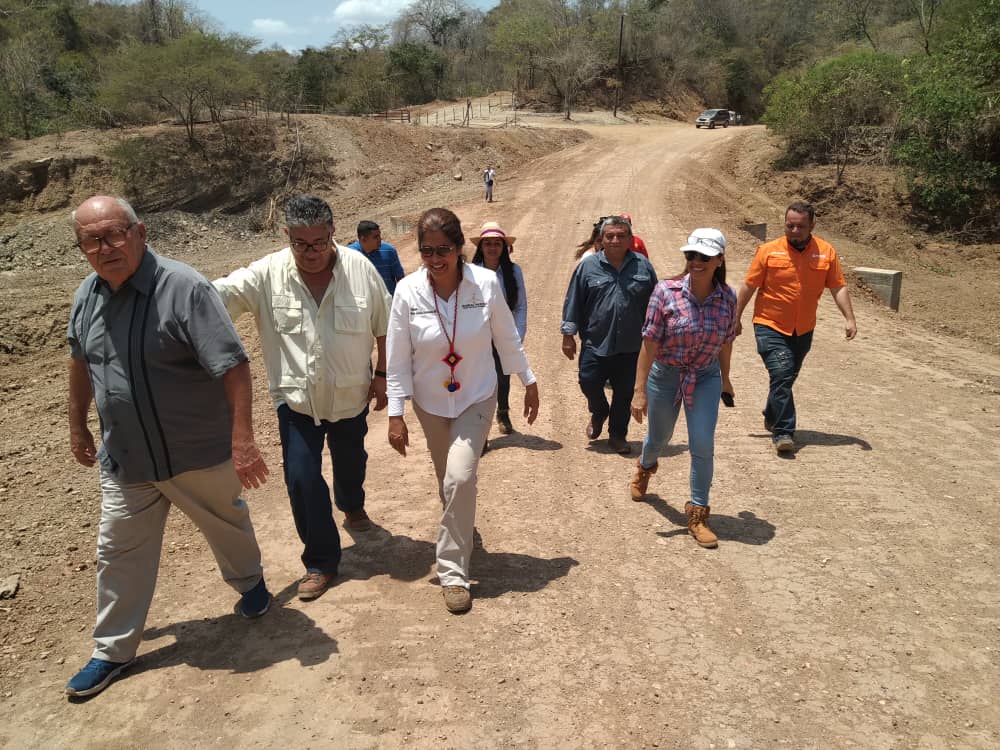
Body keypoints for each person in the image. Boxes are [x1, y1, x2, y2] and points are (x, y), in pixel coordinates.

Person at [65, 196, 271, 698]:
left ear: (141, 232)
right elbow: (80, 362)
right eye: (92, 240)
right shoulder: (86, 297)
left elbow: (232, 364)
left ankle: (251, 583)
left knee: (225, 524)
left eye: (114, 234)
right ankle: (111, 650)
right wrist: (77, 426)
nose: (105, 247)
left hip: (194, 450)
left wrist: (243, 440)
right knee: (117, 550)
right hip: (127, 457)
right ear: (81, 248)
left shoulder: (185, 288)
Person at [213, 195, 391, 601]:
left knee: (351, 463)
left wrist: (381, 374)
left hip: (350, 397)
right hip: (295, 402)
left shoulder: (359, 269)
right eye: (300, 243)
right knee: (302, 478)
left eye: (318, 242)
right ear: (286, 236)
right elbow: (216, 296)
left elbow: (385, 324)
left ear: (333, 234)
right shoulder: (267, 273)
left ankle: (352, 502)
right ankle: (321, 562)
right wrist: (168, 289)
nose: (310, 253)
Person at [386, 208, 539, 614]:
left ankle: (453, 571)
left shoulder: (485, 285)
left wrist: (528, 380)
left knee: (459, 475)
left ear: (458, 249)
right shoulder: (407, 291)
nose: (435, 260)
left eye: (444, 250)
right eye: (426, 251)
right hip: (429, 402)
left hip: (476, 395)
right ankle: (461, 523)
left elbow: (506, 338)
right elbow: (398, 356)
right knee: (447, 479)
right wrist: (395, 412)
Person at [629, 229, 737, 549]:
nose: (696, 262)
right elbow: (649, 342)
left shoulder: (728, 297)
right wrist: (639, 389)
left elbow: (726, 343)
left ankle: (698, 513)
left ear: (719, 260)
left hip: (705, 376)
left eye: (705, 257)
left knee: (702, 443)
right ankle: (646, 466)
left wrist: (726, 378)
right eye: (691, 256)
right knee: (659, 438)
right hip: (665, 376)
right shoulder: (665, 292)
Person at [735, 201, 858, 453]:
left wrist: (849, 318)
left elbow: (838, 286)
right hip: (769, 324)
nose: (794, 230)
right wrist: (734, 317)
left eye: (800, 226)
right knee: (782, 372)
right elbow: (749, 286)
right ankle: (784, 432)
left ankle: (772, 413)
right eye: (790, 225)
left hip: (803, 329)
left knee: (786, 378)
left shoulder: (826, 252)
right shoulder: (768, 251)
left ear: (812, 225)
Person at [561, 215, 657, 455]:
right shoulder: (588, 266)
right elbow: (574, 300)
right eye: (610, 236)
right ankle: (599, 409)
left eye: (621, 235)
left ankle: (617, 436)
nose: (615, 240)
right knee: (588, 381)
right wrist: (568, 334)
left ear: (630, 239)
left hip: (632, 345)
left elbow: (656, 303)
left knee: (625, 393)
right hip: (595, 341)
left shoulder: (643, 267)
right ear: (601, 239)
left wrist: (659, 338)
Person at [470, 221, 527, 444]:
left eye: (496, 243)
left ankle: (503, 412)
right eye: (488, 244)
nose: (492, 248)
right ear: (481, 247)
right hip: (476, 337)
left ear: (504, 247)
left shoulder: (514, 271)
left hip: (503, 335)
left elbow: (521, 306)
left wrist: (517, 336)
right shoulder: (470, 273)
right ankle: (480, 431)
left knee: (502, 379)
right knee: (478, 383)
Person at [347, 220, 405, 295]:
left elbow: (400, 279)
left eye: (379, 235)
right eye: (375, 237)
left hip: (388, 303)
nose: (380, 239)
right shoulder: (350, 254)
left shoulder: (389, 251)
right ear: (363, 239)